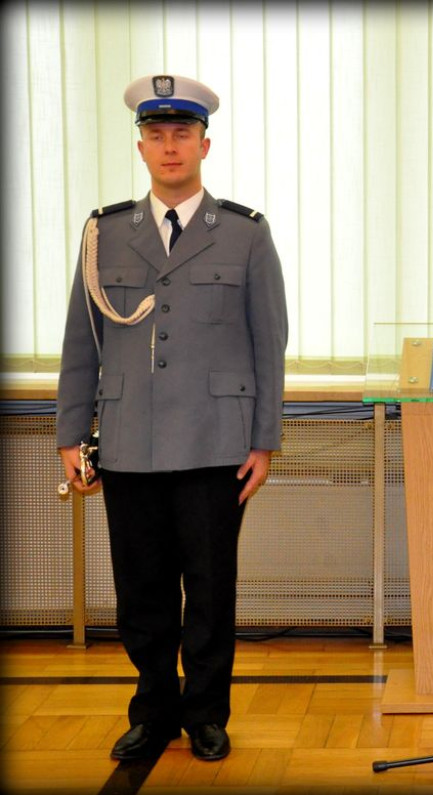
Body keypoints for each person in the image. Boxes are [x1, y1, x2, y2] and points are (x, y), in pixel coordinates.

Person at [56, 75, 288, 761]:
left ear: (204, 145)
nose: (169, 146)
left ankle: (206, 713)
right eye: (155, 135)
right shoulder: (104, 234)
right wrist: (70, 434)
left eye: (182, 133)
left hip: (217, 444)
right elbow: (81, 342)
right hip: (129, 441)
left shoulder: (245, 234)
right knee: (141, 591)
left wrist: (264, 441)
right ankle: (153, 710)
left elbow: (269, 342)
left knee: (210, 590)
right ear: (141, 148)